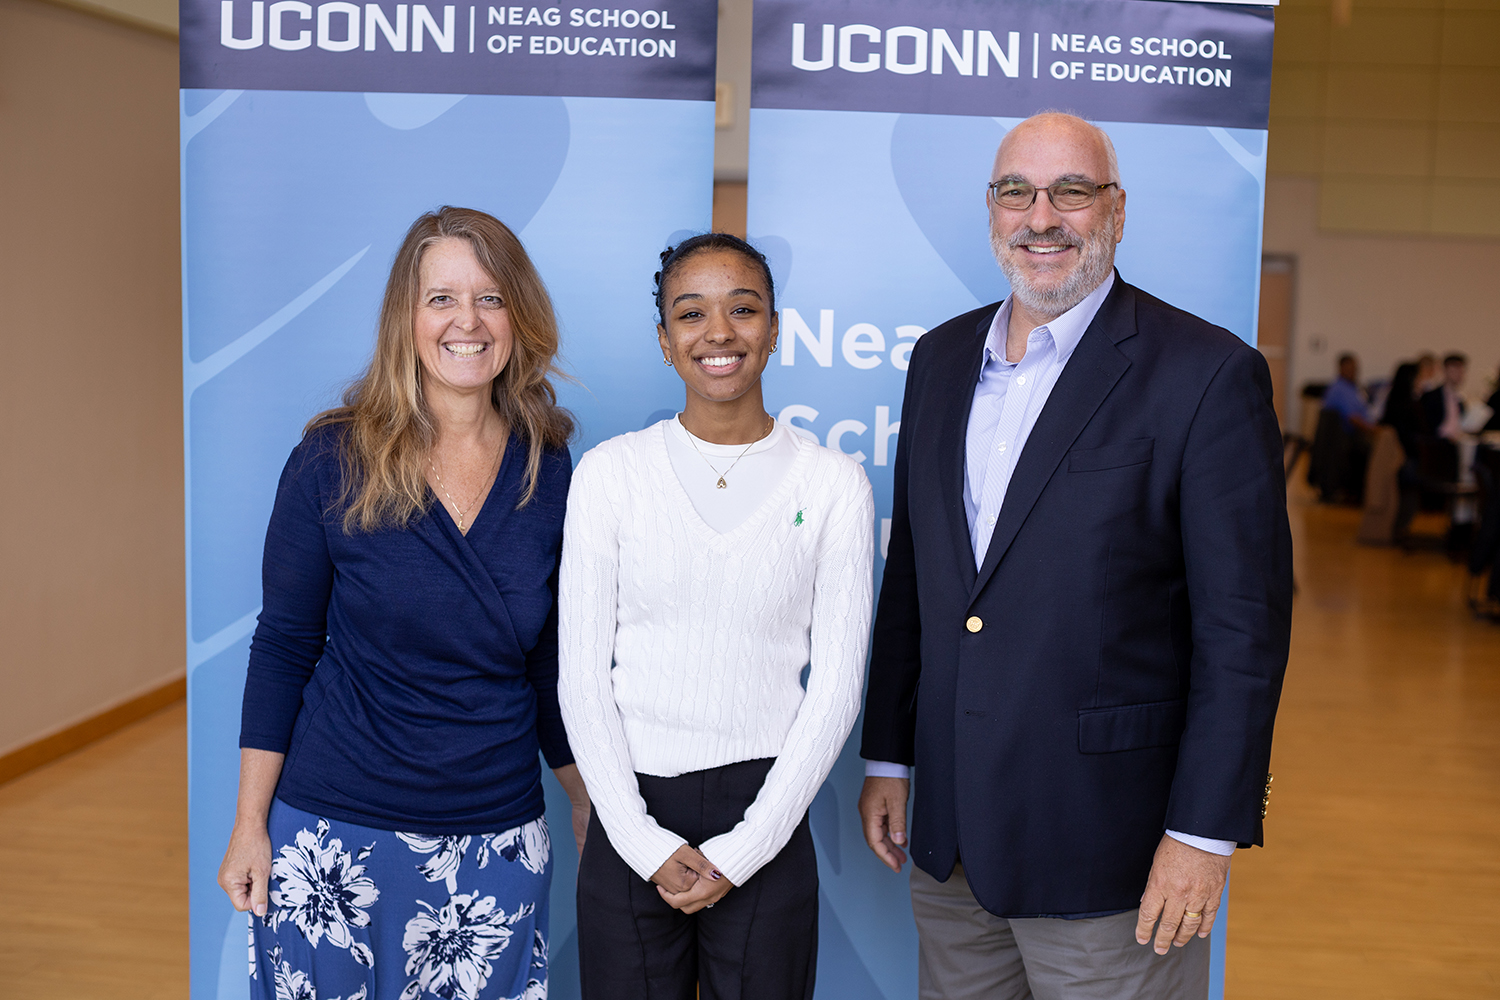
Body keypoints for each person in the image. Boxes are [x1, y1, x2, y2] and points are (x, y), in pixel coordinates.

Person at [857, 113, 1292, 999]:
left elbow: (1242, 632)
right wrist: (890, 758)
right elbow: (918, 579)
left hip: (1113, 856)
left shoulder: (1207, 373)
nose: (1040, 215)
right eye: (1016, 191)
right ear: (992, 210)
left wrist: (1203, 835)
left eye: (1072, 191)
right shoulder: (940, 358)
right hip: (951, 848)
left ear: (1117, 210)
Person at [218, 207, 590, 1000]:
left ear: (519, 317)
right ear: (406, 318)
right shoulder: (331, 457)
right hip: (332, 835)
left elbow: (550, 662)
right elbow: (285, 644)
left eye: (491, 298)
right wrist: (251, 825)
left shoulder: (550, 470)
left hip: (495, 841)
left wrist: (587, 802)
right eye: (442, 299)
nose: (468, 321)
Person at [558, 233, 874, 999]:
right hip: (631, 808)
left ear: (773, 327)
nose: (719, 332)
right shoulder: (610, 475)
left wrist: (747, 847)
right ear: (666, 342)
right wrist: (635, 838)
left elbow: (836, 688)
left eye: (743, 308)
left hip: (767, 807)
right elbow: (580, 676)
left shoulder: (836, 484)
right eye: (691, 314)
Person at [1421, 353, 1469, 442]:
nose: (1459, 375)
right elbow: (1427, 427)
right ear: (1445, 371)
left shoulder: (1459, 398)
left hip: (1456, 441)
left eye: (1461, 371)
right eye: (1454, 371)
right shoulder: (1432, 397)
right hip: (1438, 443)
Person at [1324, 353, 1376, 434]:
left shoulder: (1352, 388)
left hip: (1363, 429)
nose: (1352, 372)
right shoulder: (1340, 389)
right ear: (1341, 368)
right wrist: (1373, 431)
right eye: (1349, 369)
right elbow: (1353, 419)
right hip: (1351, 437)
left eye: (1354, 369)